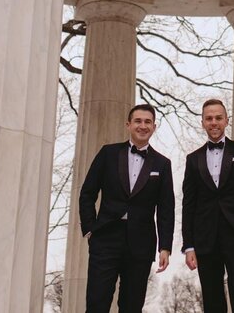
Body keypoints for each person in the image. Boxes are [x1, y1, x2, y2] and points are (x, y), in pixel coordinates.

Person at [79, 103, 175, 313]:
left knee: (132, 306)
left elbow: (166, 208)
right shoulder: (108, 153)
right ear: (128, 124)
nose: (143, 126)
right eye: (138, 121)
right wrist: (89, 229)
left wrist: (165, 246)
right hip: (105, 239)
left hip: (141, 244)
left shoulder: (162, 164)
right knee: (97, 303)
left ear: (154, 127)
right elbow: (87, 193)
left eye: (147, 122)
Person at [181, 98, 234, 313]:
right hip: (205, 240)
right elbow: (188, 205)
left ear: (226, 120)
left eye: (218, 118)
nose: (214, 122)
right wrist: (189, 245)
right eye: (209, 118)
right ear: (202, 122)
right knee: (212, 301)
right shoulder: (193, 159)